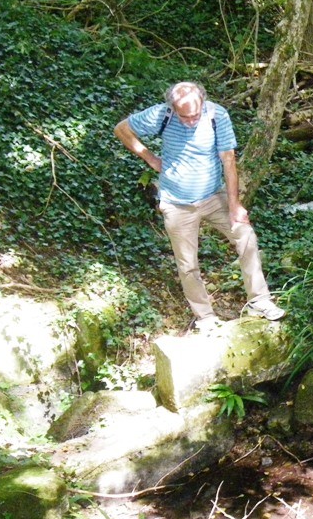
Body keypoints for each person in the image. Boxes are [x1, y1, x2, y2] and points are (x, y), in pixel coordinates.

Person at [114, 81, 284, 332]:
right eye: (186, 116)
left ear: (203, 102)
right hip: (176, 203)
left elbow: (229, 161)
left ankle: (259, 301)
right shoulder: (162, 115)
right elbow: (122, 129)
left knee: (246, 236)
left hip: (214, 196)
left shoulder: (217, 115)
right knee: (187, 264)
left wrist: (235, 205)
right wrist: (151, 159)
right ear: (172, 107)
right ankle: (205, 317)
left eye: (195, 114)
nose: (192, 120)